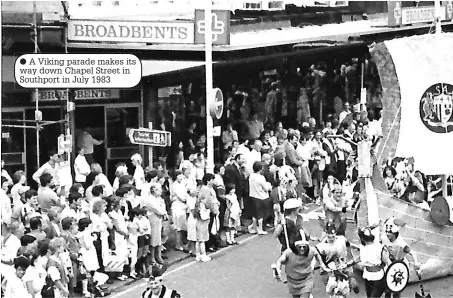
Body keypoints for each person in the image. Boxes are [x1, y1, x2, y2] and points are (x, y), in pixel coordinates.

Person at [274, 233, 328, 298]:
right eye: (299, 247)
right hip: (292, 282)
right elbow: (279, 261)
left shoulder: (311, 251)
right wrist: (278, 270)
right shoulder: (289, 252)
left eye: (304, 247)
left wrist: (322, 265)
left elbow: (317, 255)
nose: (302, 249)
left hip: (306, 279)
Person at [381, 217, 420, 298]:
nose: (388, 234)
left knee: (397, 288)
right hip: (389, 264)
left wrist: (416, 263)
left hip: (400, 266)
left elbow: (412, 253)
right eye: (387, 232)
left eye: (390, 232)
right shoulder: (384, 238)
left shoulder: (401, 243)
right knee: (387, 287)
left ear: (394, 233)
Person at [358, 226, 391, 298]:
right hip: (368, 277)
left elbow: (389, 263)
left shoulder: (380, 248)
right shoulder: (363, 248)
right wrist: (347, 264)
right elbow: (360, 258)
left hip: (378, 277)